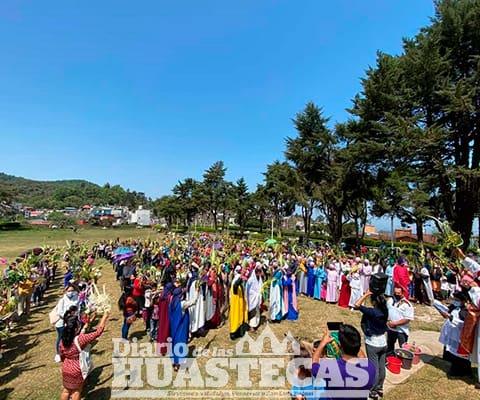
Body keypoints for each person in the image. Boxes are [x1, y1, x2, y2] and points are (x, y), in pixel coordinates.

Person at [311, 324, 375, 399]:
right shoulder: (370, 368)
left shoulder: (332, 369)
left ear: (340, 347)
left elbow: (314, 364)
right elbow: (362, 357)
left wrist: (322, 343)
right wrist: (352, 343)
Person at [59, 312, 109, 400]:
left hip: (66, 367)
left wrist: (63, 364)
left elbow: (62, 354)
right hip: (77, 369)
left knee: (66, 390)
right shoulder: (80, 339)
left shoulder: (63, 340)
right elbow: (98, 332)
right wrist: (104, 317)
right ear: (76, 329)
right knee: (76, 391)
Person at [355, 290, 389, 400]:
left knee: (374, 368)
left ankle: (373, 390)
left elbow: (357, 305)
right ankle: (379, 387)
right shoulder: (385, 310)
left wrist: (366, 294)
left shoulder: (372, 312)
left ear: (374, 302)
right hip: (383, 342)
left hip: (373, 343)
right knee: (381, 366)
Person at [439, 291, 471, 377]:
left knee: (458, 354)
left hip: (459, 335)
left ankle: (459, 371)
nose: (454, 301)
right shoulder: (453, 307)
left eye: (457, 300)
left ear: (463, 301)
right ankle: (455, 367)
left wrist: (451, 318)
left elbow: (464, 324)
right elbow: (446, 314)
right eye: (454, 299)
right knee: (451, 352)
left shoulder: (465, 311)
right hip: (451, 333)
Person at [54, 283, 80, 362]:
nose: (70, 292)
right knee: (61, 338)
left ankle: (69, 352)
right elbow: (59, 312)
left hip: (72, 322)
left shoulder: (76, 298)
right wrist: (67, 318)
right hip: (62, 323)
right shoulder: (62, 300)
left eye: (72, 290)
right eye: (69, 291)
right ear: (65, 291)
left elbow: (78, 308)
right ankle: (58, 353)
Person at [387, 285, 414, 355]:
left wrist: (395, 323)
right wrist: (388, 322)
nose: (396, 295)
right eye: (395, 293)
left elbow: (407, 319)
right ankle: (390, 358)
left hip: (401, 330)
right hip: (391, 329)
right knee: (389, 345)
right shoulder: (390, 301)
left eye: (398, 293)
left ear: (402, 293)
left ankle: (403, 361)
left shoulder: (407, 305)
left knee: (403, 348)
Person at [246, 265, 263, 329]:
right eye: (258, 272)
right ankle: (251, 325)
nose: (259, 273)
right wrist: (255, 294)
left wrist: (260, 293)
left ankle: (256, 323)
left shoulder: (260, 279)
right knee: (252, 310)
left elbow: (261, 287)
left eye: (260, 272)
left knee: (257, 311)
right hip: (252, 298)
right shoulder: (251, 280)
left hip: (257, 298)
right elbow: (248, 290)